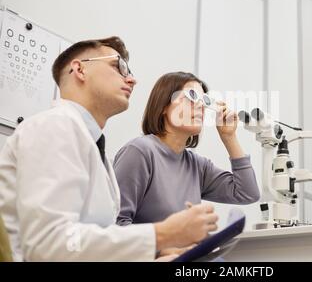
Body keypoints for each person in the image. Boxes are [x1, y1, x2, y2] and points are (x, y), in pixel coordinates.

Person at [0, 37, 218, 261]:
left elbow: (90, 247)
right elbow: (47, 245)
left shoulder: (92, 147)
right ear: (80, 69)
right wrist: (163, 234)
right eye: (118, 67)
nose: (132, 79)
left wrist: (159, 256)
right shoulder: (55, 126)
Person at [114, 71, 260, 226]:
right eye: (191, 96)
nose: (200, 105)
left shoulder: (197, 166)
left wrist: (229, 137)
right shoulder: (140, 152)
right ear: (164, 105)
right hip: (150, 251)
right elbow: (116, 223)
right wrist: (164, 249)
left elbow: (247, 193)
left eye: (204, 100)